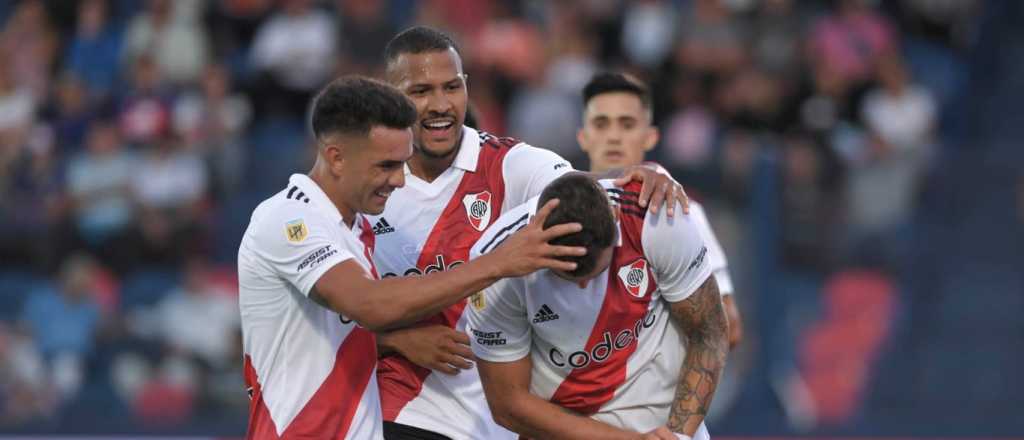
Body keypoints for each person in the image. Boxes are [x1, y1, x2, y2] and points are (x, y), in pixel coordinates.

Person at [366, 26, 691, 440]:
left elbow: (579, 187)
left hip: (499, 416)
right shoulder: (367, 183)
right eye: (420, 91)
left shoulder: (508, 166)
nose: (440, 105)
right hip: (403, 411)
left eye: (452, 87)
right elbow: (326, 316)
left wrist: (638, 176)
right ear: (389, 93)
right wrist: (395, 341)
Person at [237, 76, 587, 439]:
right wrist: (500, 261)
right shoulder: (288, 218)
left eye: (402, 165)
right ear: (336, 157)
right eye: (386, 166)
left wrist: (395, 342)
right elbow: (369, 306)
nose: (399, 180)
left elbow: (325, 337)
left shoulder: (353, 232)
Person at [466, 173, 729, 440]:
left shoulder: (655, 217)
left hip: (666, 429)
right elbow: (508, 403)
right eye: (568, 278)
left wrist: (679, 436)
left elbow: (708, 331)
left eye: (597, 273)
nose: (583, 289)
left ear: (614, 218)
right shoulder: (496, 266)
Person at [577, 72, 744, 350]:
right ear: (583, 137)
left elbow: (729, 327)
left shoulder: (678, 210)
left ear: (651, 136)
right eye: (601, 124)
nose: (614, 136)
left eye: (627, 124)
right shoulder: (555, 202)